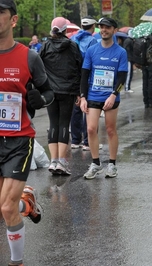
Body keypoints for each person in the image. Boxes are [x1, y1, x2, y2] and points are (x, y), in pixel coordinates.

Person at [0, 1, 54, 265]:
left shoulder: (29, 56)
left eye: (1, 12)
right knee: (4, 206)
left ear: (13, 20)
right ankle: (28, 205)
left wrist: (38, 100)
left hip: (18, 139)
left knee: (7, 207)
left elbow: (49, 92)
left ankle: (16, 262)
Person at [80, 17, 128, 179]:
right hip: (93, 95)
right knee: (91, 129)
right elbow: (84, 75)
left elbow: (122, 77)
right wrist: (83, 97)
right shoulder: (92, 51)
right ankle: (95, 163)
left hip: (110, 97)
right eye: (101, 27)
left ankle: (112, 164)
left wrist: (114, 95)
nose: (104, 30)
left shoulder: (121, 52)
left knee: (110, 129)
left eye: (107, 27)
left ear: (114, 30)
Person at [40, 17, 82, 175]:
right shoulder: (72, 46)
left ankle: (53, 160)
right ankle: (62, 162)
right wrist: (79, 91)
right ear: (66, 30)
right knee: (64, 124)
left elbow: (38, 68)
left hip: (50, 91)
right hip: (68, 90)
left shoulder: (45, 46)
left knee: (53, 124)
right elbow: (79, 68)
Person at [70, 15, 98, 151]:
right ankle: (87, 142)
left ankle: (75, 140)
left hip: (73, 78)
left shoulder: (73, 38)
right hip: (87, 78)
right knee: (88, 108)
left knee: (76, 108)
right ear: (93, 27)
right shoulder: (93, 41)